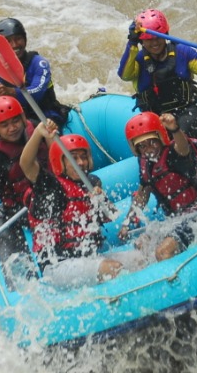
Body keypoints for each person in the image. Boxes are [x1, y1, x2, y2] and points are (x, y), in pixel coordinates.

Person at [19, 119, 127, 285]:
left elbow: (110, 216)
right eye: (73, 158)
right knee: (113, 268)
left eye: (83, 157)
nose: (81, 163)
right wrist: (38, 133)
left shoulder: (92, 182)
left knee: (138, 260)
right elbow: (26, 164)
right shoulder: (51, 186)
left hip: (88, 258)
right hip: (57, 267)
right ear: (60, 162)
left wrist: (101, 200)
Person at [116, 9, 197, 148]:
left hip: (188, 110)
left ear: (165, 35)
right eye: (148, 40)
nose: (154, 43)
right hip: (157, 117)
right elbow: (124, 75)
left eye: (158, 37)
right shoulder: (138, 60)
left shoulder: (183, 52)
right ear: (141, 41)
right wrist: (132, 43)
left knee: (185, 127)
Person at [119, 111, 197, 261]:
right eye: (142, 146)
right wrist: (126, 223)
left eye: (152, 142)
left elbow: (183, 147)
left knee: (163, 252)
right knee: (141, 243)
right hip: (176, 220)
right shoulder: (145, 163)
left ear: (160, 138)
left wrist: (175, 129)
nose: (148, 149)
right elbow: (142, 196)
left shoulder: (174, 153)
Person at [0, 96, 45, 265]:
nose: (12, 128)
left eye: (15, 121)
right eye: (5, 125)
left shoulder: (35, 128)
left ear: (23, 118)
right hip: (17, 208)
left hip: (44, 191)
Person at [0, 18, 68, 130]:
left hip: (47, 115)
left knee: (27, 129)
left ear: (25, 39)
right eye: (8, 41)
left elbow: (36, 92)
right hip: (18, 121)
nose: (14, 45)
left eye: (18, 38)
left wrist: (11, 92)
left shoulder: (39, 63)